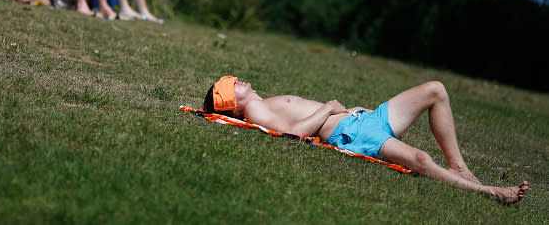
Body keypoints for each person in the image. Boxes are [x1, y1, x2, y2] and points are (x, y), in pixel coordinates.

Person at [204, 76, 528, 204]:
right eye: (231, 84)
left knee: (435, 90)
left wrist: (343, 110)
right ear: (231, 101)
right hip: (353, 132)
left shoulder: (262, 101)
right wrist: (329, 108)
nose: (237, 79)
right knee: (421, 160)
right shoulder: (256, 110)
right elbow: (293, 134)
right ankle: (491, 192)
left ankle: (460, 168)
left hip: (363, 121)